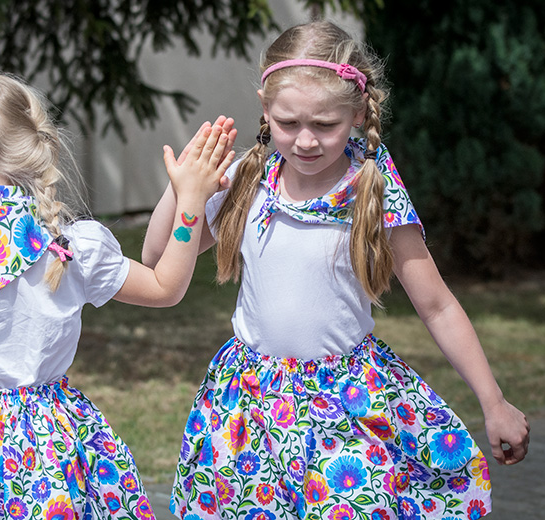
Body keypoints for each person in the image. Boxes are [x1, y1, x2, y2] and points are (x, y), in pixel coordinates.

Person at [142, 20, 530, 520]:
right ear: (265, 108)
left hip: (345, 404)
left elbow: (437, 306)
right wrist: (183, 189)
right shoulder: (246, 179)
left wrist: (493, 402)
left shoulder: (373, 189)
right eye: (288, 123)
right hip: (249, 406)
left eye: (324, 125)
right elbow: (154, 259)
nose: (305, 141)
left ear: (358, 112)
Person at [0, 70, 235, 519]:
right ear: (38, 150)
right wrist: (189, 202)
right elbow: (165, 287)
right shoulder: (70, 247)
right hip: (58, 451)